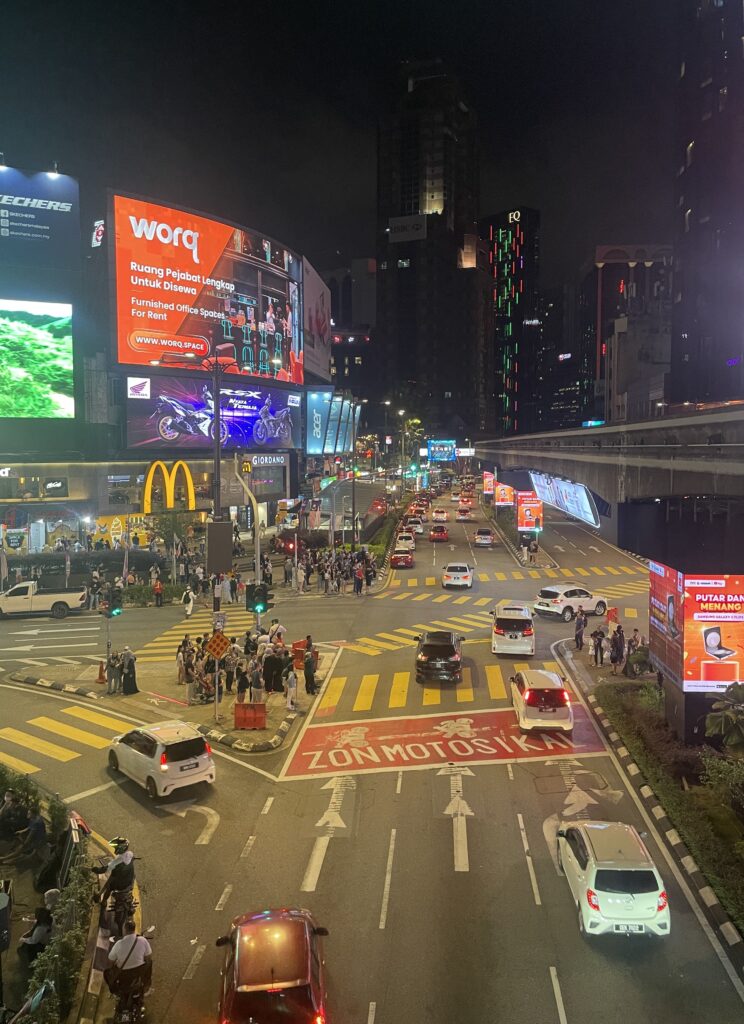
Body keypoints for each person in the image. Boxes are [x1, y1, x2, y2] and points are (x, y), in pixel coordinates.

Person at [105, 919, 152, 997]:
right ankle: (147, 985)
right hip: (139, 971)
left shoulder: (118, 944)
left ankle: (113, 992)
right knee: (150, 962)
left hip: (123, 973)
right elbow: (148, 957)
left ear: (124, 930)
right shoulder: (142, 940)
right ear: (134, 929)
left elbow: (110, 962)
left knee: (107, 972)